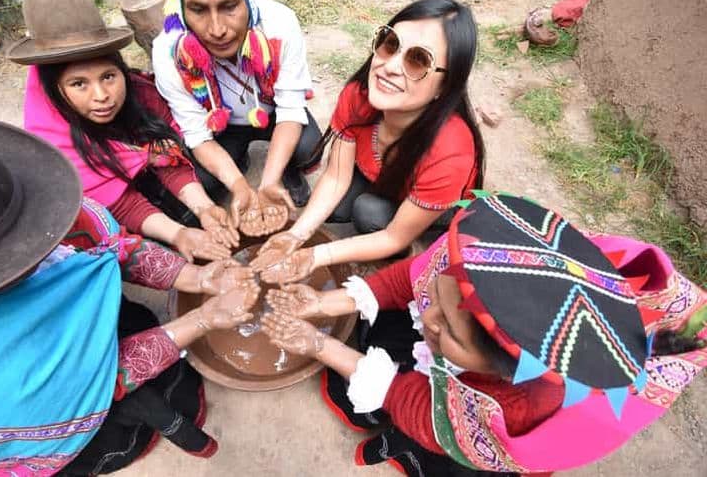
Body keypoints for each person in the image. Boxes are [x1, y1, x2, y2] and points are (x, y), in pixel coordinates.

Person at [0, 108, 261, 475]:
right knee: (117, 432)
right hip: (33, 419)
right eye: (16, 256)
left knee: (131, 319)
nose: (41, 246)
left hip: (42, 382)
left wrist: (196, 278)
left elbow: (108, 245)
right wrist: (204, 318)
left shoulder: (11, 203)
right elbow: (98, 380)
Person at [261, 192, 707, 476]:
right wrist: (323, 303)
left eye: (448, 330)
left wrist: (320, 344)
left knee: (445, 453)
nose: (428, 316)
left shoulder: (519, 405)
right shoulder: (479, 257)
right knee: (397, 319)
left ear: (503, 369)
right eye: (438, 295)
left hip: (499, 420)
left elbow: (421, 407)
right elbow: (411, 281)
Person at [250, 0, 485, 283]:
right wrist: (295, 235)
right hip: (383, 178)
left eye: (418, 60)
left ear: (445, 86)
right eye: (391, 43)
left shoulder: (452, 150)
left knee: (368, 212)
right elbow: (336, 178)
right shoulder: (358, 96)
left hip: (430, 208)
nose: (390, 67)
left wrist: (316, 255)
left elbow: (393, 236)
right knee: (332, 210)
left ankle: (416, 253)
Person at [8, 0, 237, 262]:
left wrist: (203, 208)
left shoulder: (140, 93)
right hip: (112, 202)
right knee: (115, 229)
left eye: (108, 76)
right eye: (79, 84)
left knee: (206, 184)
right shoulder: (55, 142)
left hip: (147, 178)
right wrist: (178, 235)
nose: (102, 96)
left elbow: (167, 154)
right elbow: (121, 203)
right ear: (55, 90)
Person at [152, 0, 321, 237]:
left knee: (308, 148)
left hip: (275, 112)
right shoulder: (169, 51)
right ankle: (237, 162)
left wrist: (267, 183)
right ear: (180, 6)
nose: (216, 29)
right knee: (205, 180)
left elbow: (291, 108)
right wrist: (239, 186)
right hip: (224, 126)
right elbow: (196, 135)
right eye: (198, 9)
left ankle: (284, 170)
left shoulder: (280, 23)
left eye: (229, 6)